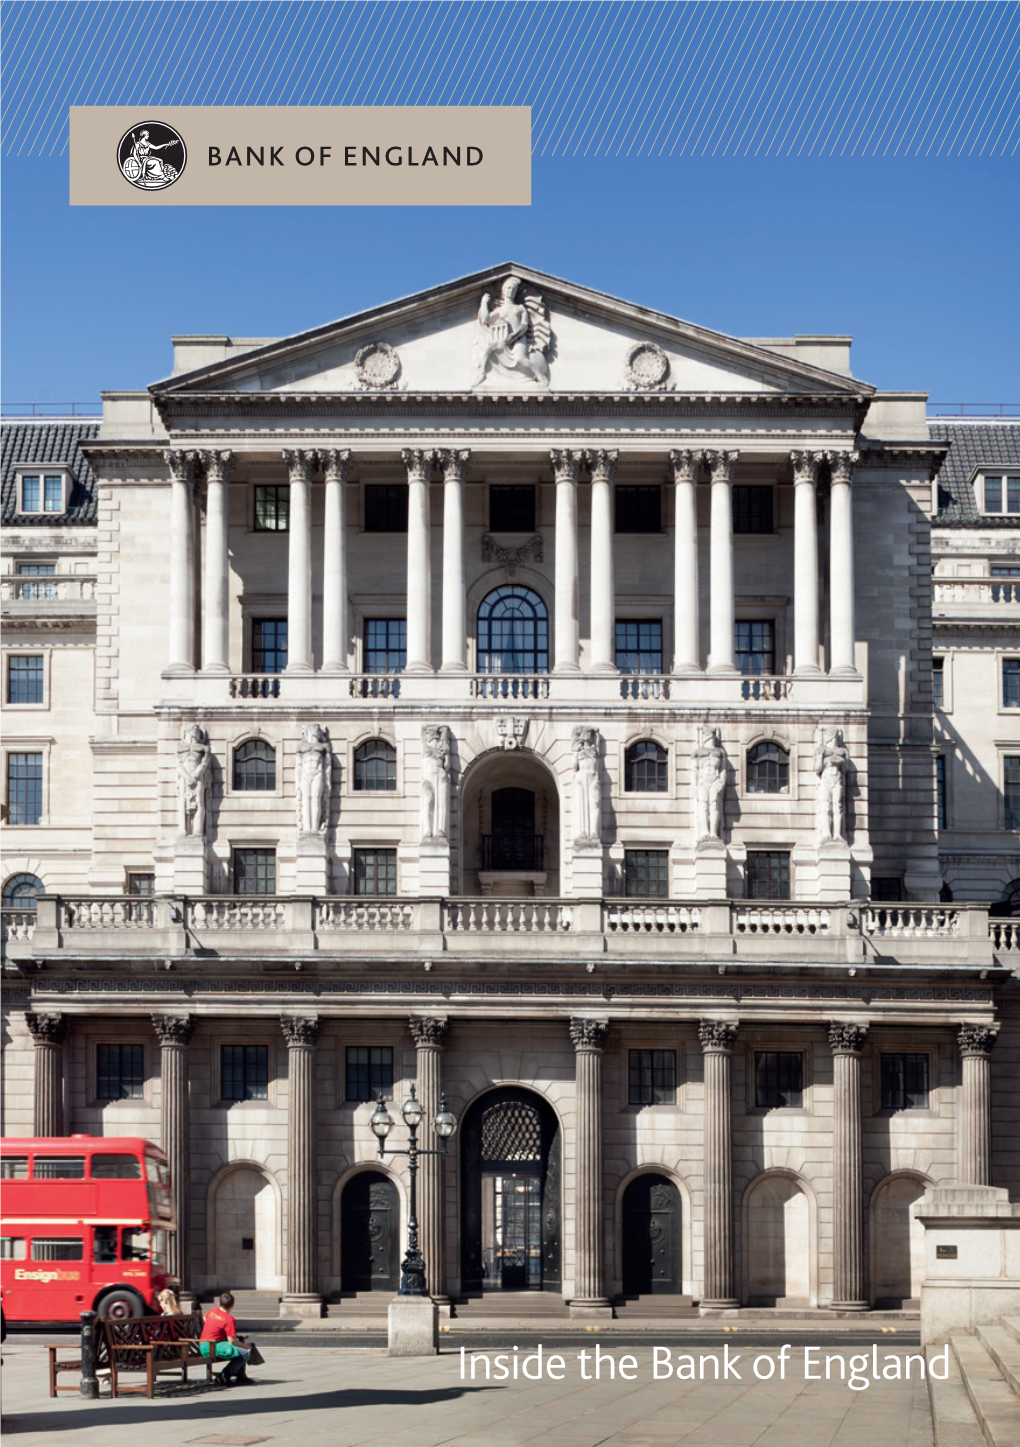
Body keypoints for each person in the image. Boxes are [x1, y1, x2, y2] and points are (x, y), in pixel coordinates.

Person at [198, 1291, 252, 1385]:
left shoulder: (213, 1310)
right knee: (245, 1353)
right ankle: (224, 1375)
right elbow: (232, 1341)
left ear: (219, 1303)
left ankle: (241, 1376)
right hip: (213, 1347)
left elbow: (204, 1319)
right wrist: (245, 1346)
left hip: (203, 1345)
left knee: (239, 1351)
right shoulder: (229, 1319)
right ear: (232, 1306)